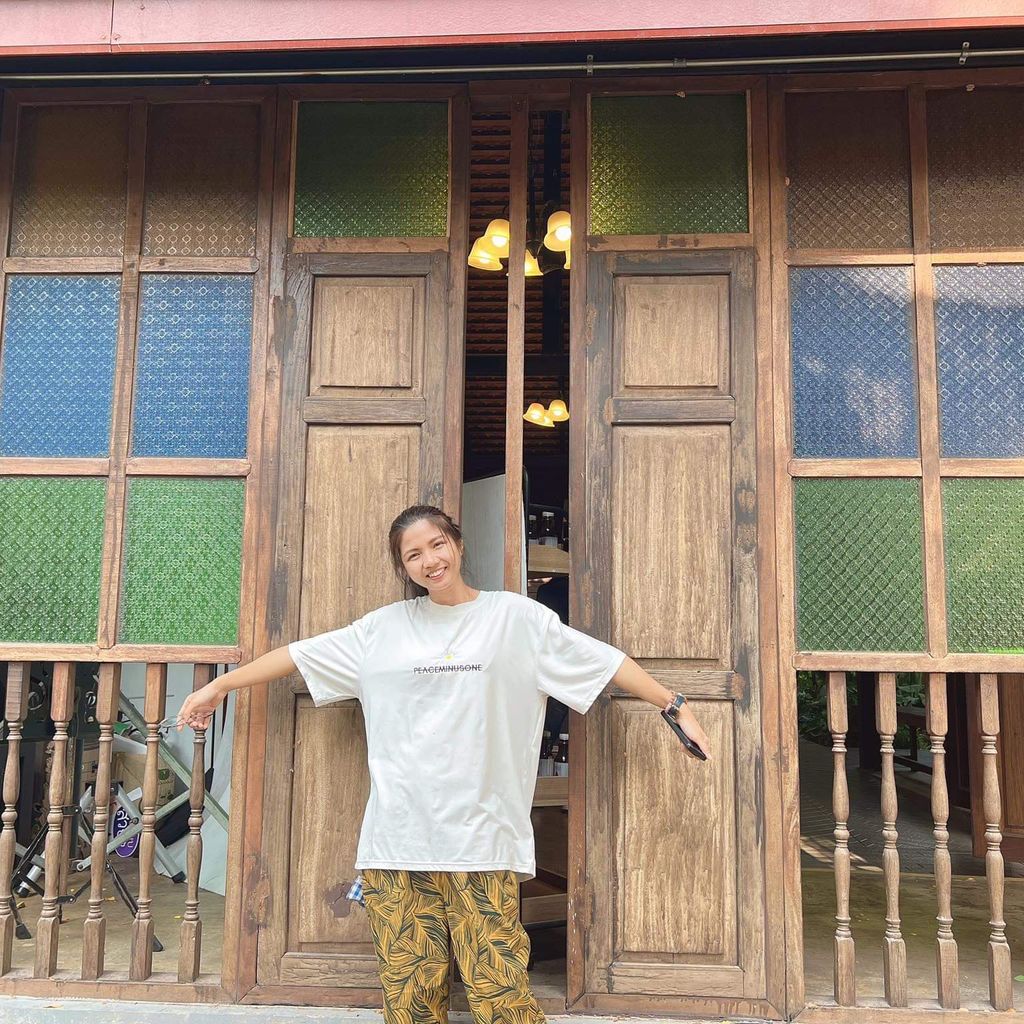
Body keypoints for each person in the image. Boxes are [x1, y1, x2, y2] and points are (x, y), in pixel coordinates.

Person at [178, 504, 710, 1024]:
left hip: (483, 838)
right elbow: (299, 655)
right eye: (414, 555)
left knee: (500, 992)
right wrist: (220, 687)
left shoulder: (515, 618)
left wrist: (673, 704)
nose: (430, 560)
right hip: (397, 841)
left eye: (437, 545)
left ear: (457, 544)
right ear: (403, 567)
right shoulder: (381, 630)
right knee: (410, 996)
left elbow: (602, 660)